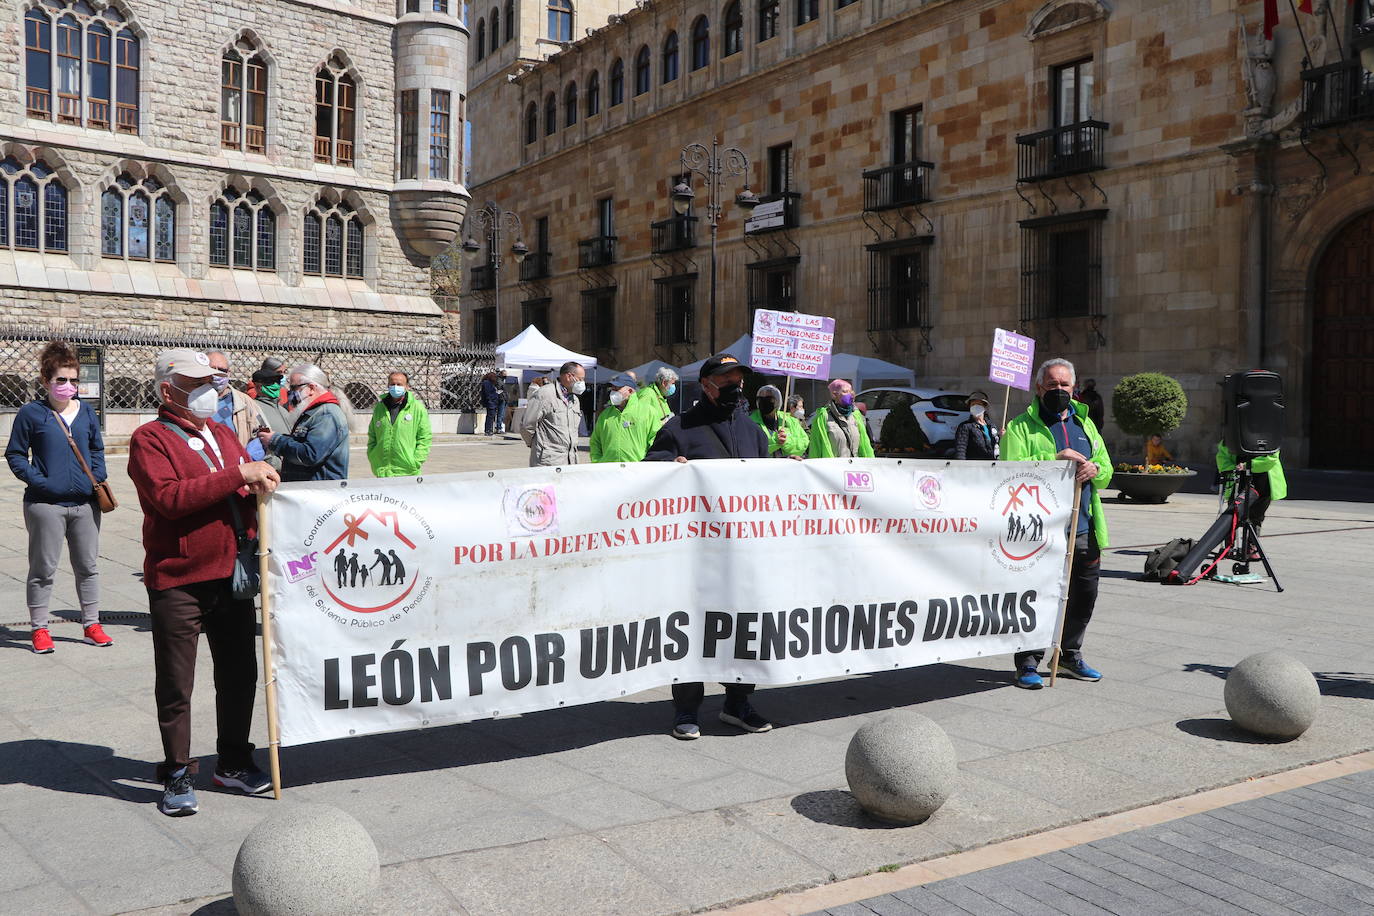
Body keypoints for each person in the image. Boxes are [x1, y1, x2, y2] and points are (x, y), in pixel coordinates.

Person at [126, 348, 281, 816]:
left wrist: (256, 484)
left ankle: (233, 759)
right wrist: (237, 474)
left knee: (240, 674)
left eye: (209, 381)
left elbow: (236, 485)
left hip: (230, 575)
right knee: (177, 682)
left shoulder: (220, 432)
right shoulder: (149, 438)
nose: (208, 390)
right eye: (195, 384)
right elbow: (169, 499)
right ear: (167, 390)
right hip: (179, 578)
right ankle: (176, 772)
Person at [645, 354, 774, 740]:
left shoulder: (754, 432)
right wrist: (670, 468)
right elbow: (648, 474)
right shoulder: (679, 428)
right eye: (727, 380)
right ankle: (687, 710)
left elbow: (770, 484)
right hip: (695, 558)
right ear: (706, 385)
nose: (736, 386)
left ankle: (738, 703)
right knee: (694, 630)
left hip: (743, 555)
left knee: (743, 629)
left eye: (739, 379)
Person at [1003, 358, 1112, 689]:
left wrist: (1095, 470)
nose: (1059, 390)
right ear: (1039, 388)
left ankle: (1069, 654)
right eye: (1052, 385)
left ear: (1074, 388)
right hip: (1039, 530)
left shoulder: (1086, 425)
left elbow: (1106, 469)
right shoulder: (1020, 427)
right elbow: (1009, 471)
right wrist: (1054, 460)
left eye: (1065, 385)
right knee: (1036, 595)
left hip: (1083, 526)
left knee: (1084, 594)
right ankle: (1028, 661)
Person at [5, 340, 112, 654]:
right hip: (45, 505)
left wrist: (98, 474)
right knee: (43, 569)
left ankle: (91, 624)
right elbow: (15, 455)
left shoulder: (87, 413)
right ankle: (39, 629)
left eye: (73, 380)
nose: (68, 386)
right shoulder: (32, 413)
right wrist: (42, 483)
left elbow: (96, 448)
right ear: (46, 381)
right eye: (61, 380)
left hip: (85, 504)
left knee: (88, 567)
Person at [256, 364, 350, 481]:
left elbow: (311, 454)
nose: (290, 392)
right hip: (308, 490)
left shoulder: (326, 415)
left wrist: (276, 440)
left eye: (294, 388)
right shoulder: (313, 412)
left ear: (311, 388)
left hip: (320, 491)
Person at [1216, 441, 1285, 559]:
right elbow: (1222, 454)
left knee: (1257, 516)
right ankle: (1228, 546)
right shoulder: (1235, 431)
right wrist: (1231, 468)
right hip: (1238, 476)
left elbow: (1272, 458)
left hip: (1263, 479)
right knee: (1233, 514)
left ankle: (1251, 547)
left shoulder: (1269, 434)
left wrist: (1248, 465)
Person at [367, 370, 432, 477]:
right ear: (388, 385)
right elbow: (372, 435)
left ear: (407, 387)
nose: (395, 387)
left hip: (407, 471)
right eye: (392, 384)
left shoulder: (417, 408)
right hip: (382, 471)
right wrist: (373, 456)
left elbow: (425, 437)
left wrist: (415, 461)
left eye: (399, 384)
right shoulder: (380, 407)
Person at [519, 361, 584, 467]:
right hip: (548, 461)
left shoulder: (575, 400)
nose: (582, 383)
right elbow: (527, 425)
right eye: (580, 379)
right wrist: (538, 445)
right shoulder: (544, 394)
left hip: (570, 461)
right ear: (569, 376)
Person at [205, 351, 265, 452]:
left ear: (229, 373)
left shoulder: (245, 402)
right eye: (211, 369)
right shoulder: (189, 399)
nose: (216, 373)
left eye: (221, 370)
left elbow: (264, 432)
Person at [808, 379, 875, 458]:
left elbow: (865, 445)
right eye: (845, 391)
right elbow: (816, 447)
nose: (851, 394)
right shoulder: (822, 417)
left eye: (851, 391)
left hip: (854, 467)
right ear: (834, 395)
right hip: (834, 468)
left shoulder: (856, 415)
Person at [589, 374, 647, 462]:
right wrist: (598, 461)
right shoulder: (605, 415)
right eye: (612, 389)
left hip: (637, 470)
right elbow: (595, 442)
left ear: (630, 391)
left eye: (617, 389)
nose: (613, 392)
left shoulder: (647, 412)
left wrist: (648, 464)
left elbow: (656, 441)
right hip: (609, 470)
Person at [248, 358, 290, 469]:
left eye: (277, 382)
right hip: (271, 469)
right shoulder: (253, 408)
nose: (275, 386)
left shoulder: (282, 409)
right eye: (270, 383)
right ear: (258, 386)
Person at [749, 384, 807, 458]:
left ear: (777, 401)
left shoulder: (789, 420)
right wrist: (775, 441)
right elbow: (752, 447)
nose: (763, 401)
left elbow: (804, 443)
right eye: (760, 399)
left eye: (769, 399)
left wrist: (786, 441)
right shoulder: (750, 421)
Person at [630, 366, 678, 453]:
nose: (674, 387)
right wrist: (661, 423)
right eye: (673, 383)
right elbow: (640, 420)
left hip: (660, 440)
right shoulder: (648, 393)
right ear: (664, 383)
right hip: (649, 445)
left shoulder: (661, 396)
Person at [954, 390, 1000, 460]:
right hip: (974, 466)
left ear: (984, 407)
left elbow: (997, 445)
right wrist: (961, 466)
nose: (975, 407)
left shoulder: (991, 426)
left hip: (991, 465)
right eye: (972, 405)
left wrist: (1002, 437)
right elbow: (960, 450)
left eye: (978, 404)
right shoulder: (965, 426)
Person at [480, 370, 505, 436]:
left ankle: (489, 430)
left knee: (491, 417)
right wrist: (495, 394)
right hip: (491, 402)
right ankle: (488, 430)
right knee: (490, 417)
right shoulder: (487, 383)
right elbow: (488, 393)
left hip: (492, 402)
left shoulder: (489, 383)